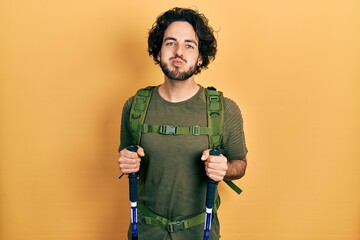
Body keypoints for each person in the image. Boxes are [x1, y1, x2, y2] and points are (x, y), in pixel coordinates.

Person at [118, 7, 247, 240]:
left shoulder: (225, 109)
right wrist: (126, 160)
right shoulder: (134, 106)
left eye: (189, 45)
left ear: (200, 57)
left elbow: (240, 165)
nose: (179, 51)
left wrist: (225, 169)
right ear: (158, 53)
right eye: (170, 43)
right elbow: (128, 156)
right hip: (146, 232)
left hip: (199, 232)